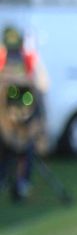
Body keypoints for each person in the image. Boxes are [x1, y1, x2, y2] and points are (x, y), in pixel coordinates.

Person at [0, 24, 50, 202]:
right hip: (5, 120)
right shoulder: (2, 56)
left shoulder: (29, 58)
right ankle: (7, 179)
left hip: (25, 120)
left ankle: (22, 183)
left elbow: (42, 84)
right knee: (7, 150)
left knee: (25, 150)